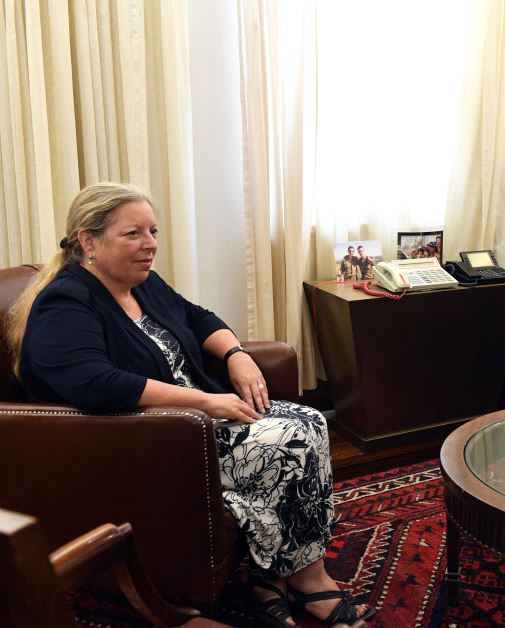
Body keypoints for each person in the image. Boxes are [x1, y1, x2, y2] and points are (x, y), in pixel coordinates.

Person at [5, 183, 374, 628]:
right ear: (89, 240)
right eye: (133, 234)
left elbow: (198, 318)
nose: (151, 245)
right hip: (144, 437)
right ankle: (308, 577)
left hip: (193, 421)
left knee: (309, 420)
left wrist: (236, 355)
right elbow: (96, 384)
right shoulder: (66, 302)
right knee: (288, 439)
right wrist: (204, 402)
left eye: (153, 231)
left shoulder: (142, 282)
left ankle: (272, 573)